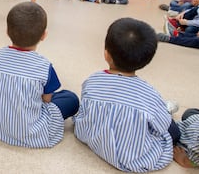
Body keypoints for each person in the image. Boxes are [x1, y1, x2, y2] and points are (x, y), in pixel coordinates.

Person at [74, 18, 180, 172]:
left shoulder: (92, 80)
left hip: (92, 139)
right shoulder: (148, 93)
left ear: (106, 54)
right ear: (146, 60)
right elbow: (161, 126)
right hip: (134, 159)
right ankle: (166, 108)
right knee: (173, 130)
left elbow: (85, 107)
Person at [0, 2, 79, 148]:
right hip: (30, 132)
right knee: (70, 98)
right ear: (44, 35)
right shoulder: (44, 66)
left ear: (7, 31)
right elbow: (46, 100)